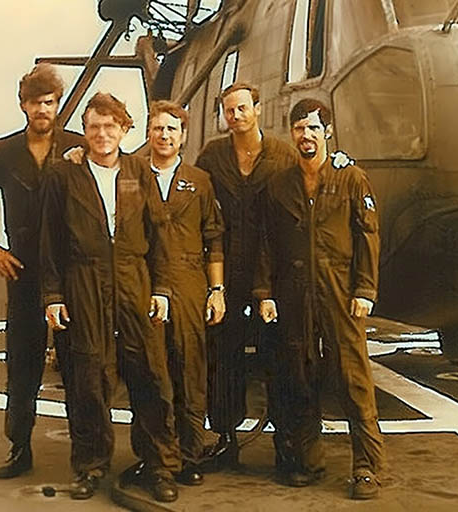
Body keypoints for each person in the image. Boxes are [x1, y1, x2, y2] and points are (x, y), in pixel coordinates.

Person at [41, 92, 182, 502]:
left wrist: (161, 288)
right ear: (84, 132)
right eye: (94, 127)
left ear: (123, 129)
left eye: (109, 126)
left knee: (151, 376)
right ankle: (90, 466)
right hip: (83, 282)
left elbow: (160, 235)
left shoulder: (140, 171)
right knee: (88, 378)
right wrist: (53, 295)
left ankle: (159, 466)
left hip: (134, 281)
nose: (101, 134)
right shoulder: (64, 176)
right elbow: (49, 241)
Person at [254, 98, 384, 500]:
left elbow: (368, 236)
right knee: (299, 374)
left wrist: (365, 289)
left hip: (339, 290)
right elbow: (266, 243)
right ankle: (307, 461)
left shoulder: (352, 179)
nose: (306, 136)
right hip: (294, 292)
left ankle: (367, 467)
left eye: (313, 127)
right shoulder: (280, 185)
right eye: (299, 128)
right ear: (291, 133)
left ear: (326, 131)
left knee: (353, 378)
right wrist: (265, 292)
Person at [0, 63, 84, 479]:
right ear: (23, 105)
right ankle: (19, 449)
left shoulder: (77, 147)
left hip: (70, 271)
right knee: (22, 364)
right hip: (23, 272)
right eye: (35, 103)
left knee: (78, 364)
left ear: (57, 104)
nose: (42, 109)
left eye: (48, 102)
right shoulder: (4, 152)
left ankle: (85, 454)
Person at [194, 82, 299, 468]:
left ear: (258, 109)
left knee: (279, 354)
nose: (235, 116)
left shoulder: (283, 155)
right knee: (224, 355)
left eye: (242, 108)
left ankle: (285, 442)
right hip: (227, 269)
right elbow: (195, 196)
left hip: (272, 272)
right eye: (229, 110)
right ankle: (226, 437)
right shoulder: (212, 156)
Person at [147, 100, 226, 485]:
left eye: (172, 129)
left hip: (191, 283)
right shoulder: (132, 176)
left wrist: (217, 289)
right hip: (146, 284)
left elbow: (214, 237)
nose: (164, 136)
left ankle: (190, 454)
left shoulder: (199, 181)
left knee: (190, 370)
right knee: (152, 373)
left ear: (183, 137)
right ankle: (156, 456)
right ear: (149, 133)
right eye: (158, 128)